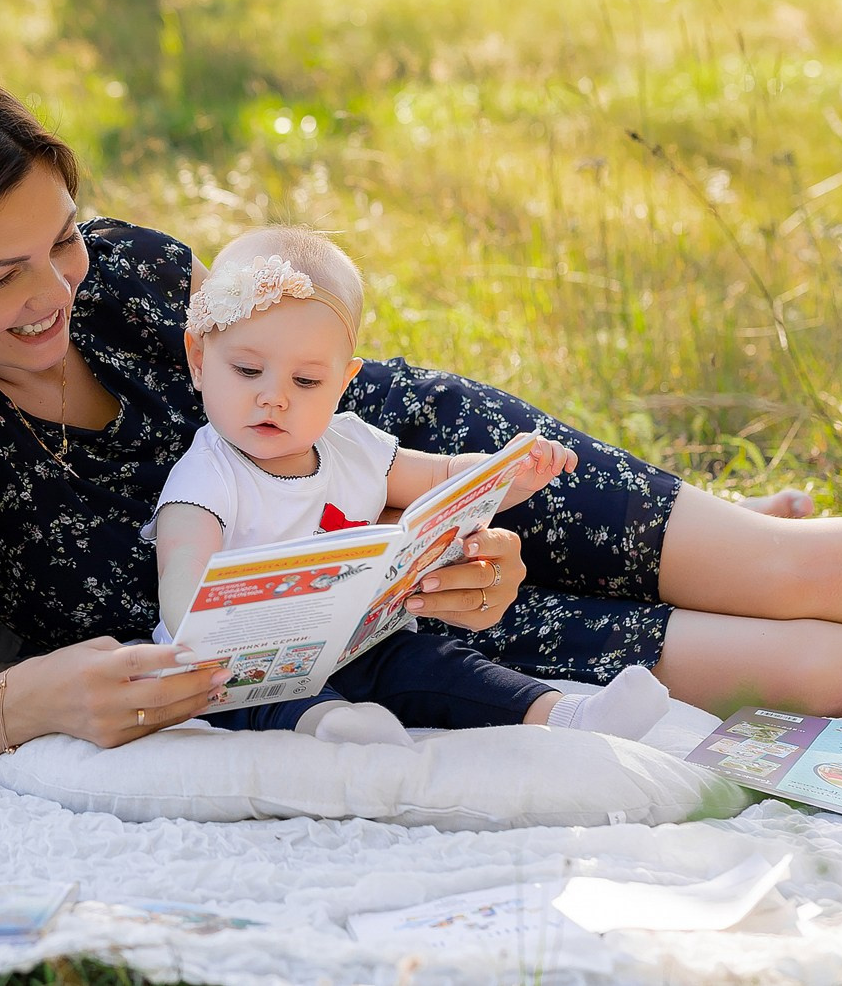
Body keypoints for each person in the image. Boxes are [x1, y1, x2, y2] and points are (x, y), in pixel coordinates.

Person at [0, 60, 842, 776]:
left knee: (789, 566)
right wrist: (31, 699)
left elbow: (292, 350)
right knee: (821, 666)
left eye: (58, 238)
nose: (55, 291)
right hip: (389, 635)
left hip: (421, 457)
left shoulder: (133, 279)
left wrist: (461, 520)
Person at [148, 224, 669, 745]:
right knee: (272, 697)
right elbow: (182, 581)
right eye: (247, 370)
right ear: (199, 360)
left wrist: (507, 474)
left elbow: (443, 479)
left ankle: (564, 715)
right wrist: (230, 627)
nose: (274, 398)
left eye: (306, 382)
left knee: (435, 663)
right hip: (245, 663)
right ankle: (332, 731)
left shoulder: (351, 446)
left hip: (356, 642)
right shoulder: (209, 474)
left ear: (343, 382)